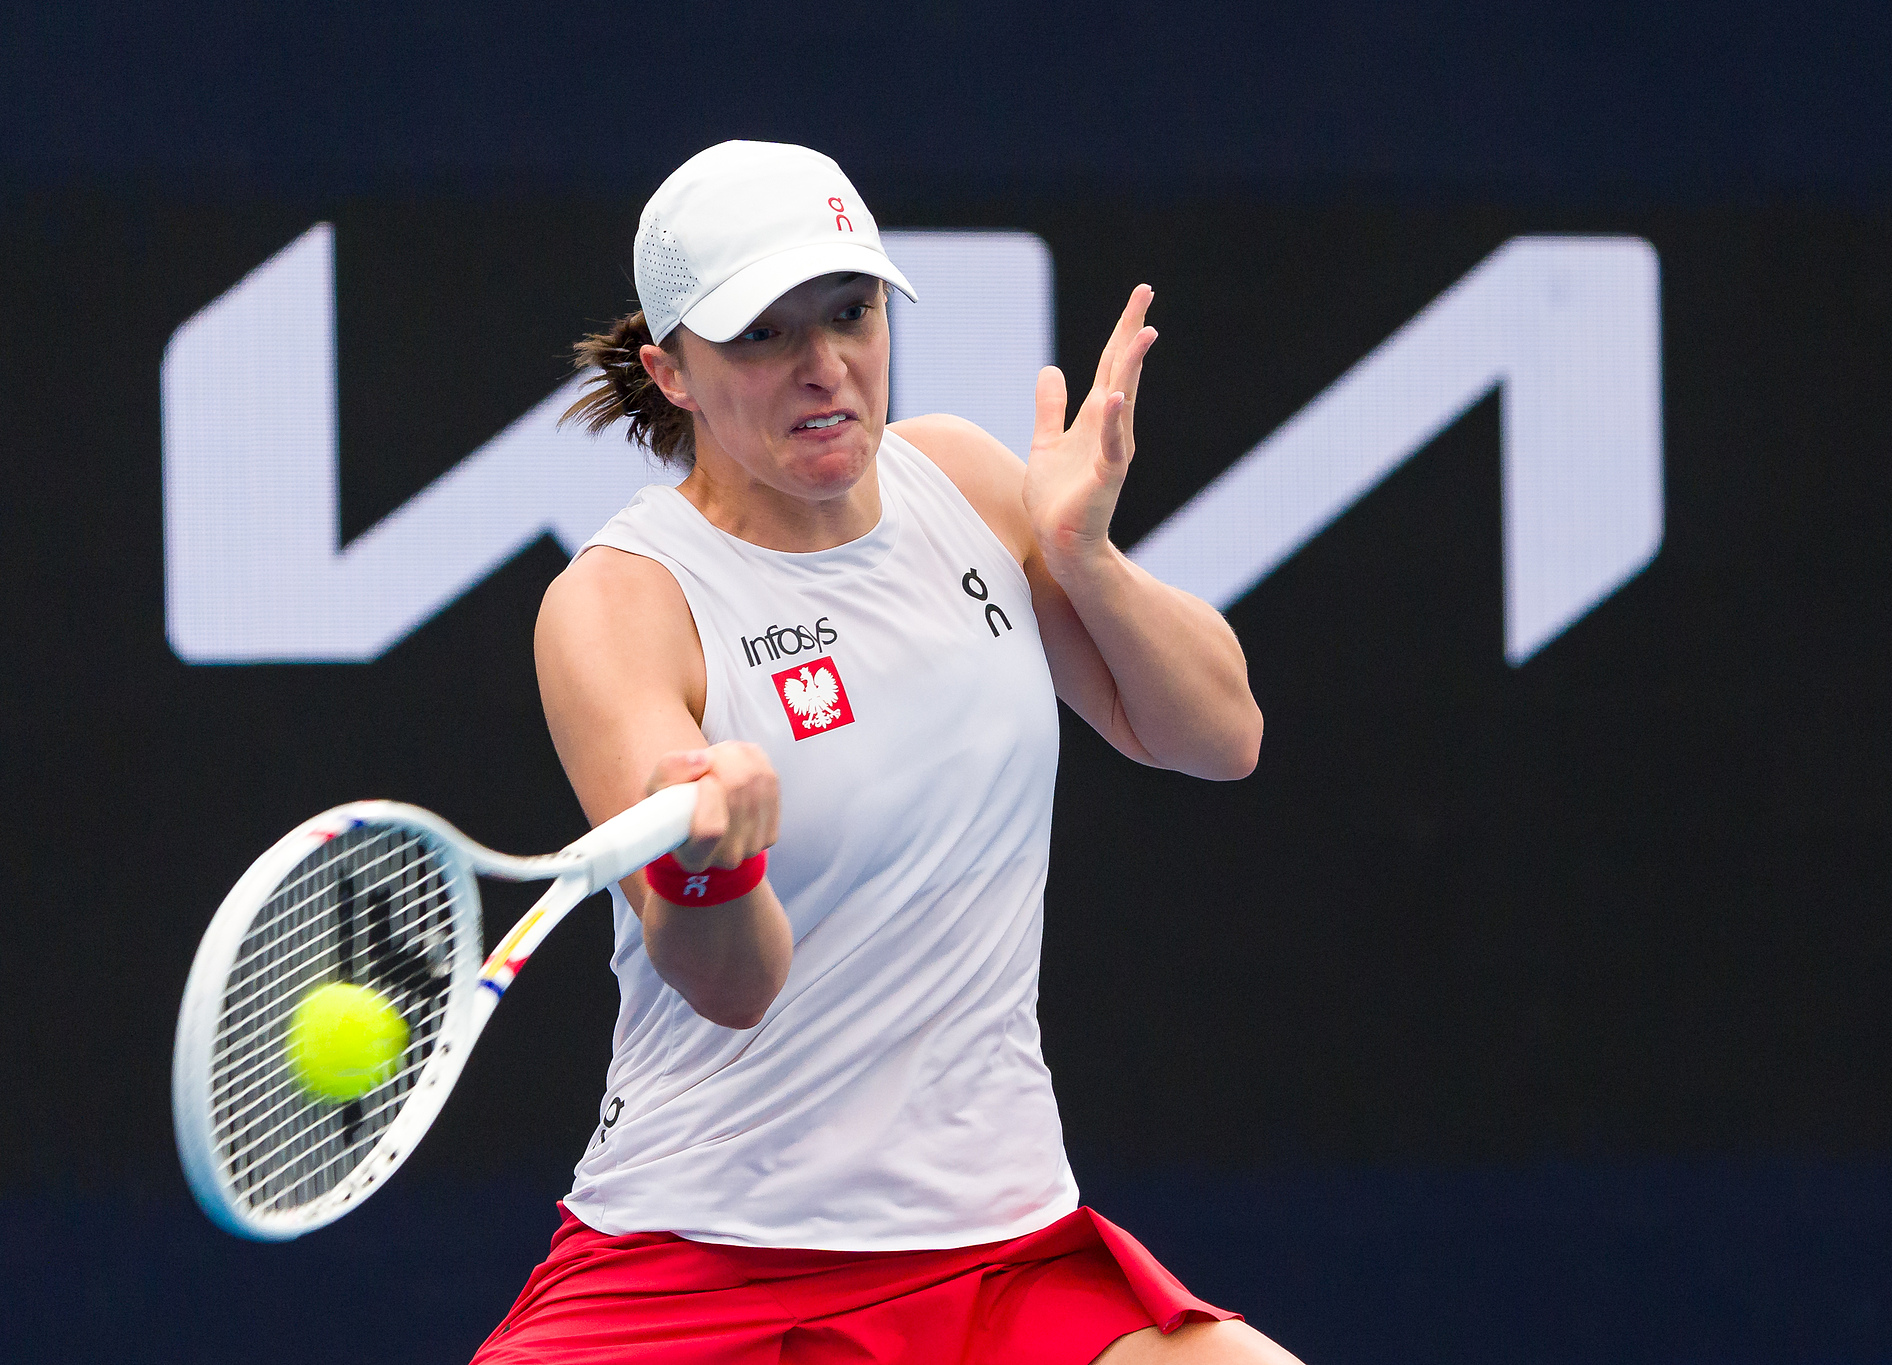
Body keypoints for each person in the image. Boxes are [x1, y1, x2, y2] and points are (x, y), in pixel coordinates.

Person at [472, 140, 1288, 1364]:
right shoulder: (621, 604)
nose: (825, 369)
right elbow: (730, 988)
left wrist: (1084, 558)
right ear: (671, 370)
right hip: (697, 1261)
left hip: (1002, 1254)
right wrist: (712, 855)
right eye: (760, 337)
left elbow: (1219, 736)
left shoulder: (963, 479)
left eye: (850, 313)